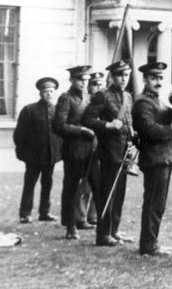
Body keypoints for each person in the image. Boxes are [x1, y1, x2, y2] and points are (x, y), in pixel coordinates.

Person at [132, 62, 172, 256]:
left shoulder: (160, 101)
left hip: (164, 157)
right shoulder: (143, 102)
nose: (158, 82)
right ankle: (148, 245)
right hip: (155, 158)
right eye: (154, 78)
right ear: (145, 80)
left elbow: (164, 125)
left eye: (161, 78)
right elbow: (150, 130)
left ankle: (150, 242)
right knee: (154, 204)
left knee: (157, 203)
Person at [82, 60, 136, 247]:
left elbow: (129, 121)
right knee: (107, 194)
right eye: (120, 75)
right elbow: (87, 119)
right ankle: (103, 235)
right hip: (107, 152)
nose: (123, 79)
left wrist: (133, 137)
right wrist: (107, 125)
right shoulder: (102, 96)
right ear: (112, 76)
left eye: (126, 75)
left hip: (124, 152)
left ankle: (114, 230)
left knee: (119, 194)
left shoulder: (128, 96)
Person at [13, 77, 63, 224]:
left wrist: (58, 151)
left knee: (47, 183)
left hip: (51, 155)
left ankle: (44, 212)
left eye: (52, 91)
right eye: (46, 91)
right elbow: (19, 133)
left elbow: (60, 132)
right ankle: (25, 213)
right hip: (33, 156)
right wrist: (23, 152)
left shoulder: (57, 110)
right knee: (30, 183)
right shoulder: (29, 110)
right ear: (40, 93)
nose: (49, 94)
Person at [54, 65, 95, 240]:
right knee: (71, 187)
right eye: (80, 80)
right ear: (72, 80)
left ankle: (84, 219)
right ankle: (70, 226)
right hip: (73, 150)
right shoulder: (66, 98)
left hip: (90, 149)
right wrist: (82, 130)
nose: (84, 83)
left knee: (91, 186)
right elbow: (58, 125)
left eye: (86, 80)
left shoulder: (88, 97)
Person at [74, 71, 106, 229]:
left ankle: (93, 215)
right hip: (86, 146)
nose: (98, 87)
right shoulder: (85, 102)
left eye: (100, 84)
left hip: (102, 146)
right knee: (84, 183)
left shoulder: (104, 100)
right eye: (94, 84)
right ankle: (80, 217)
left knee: (99, 182)